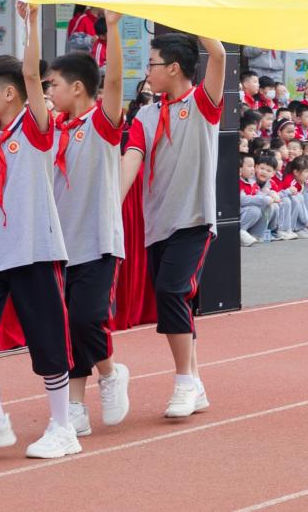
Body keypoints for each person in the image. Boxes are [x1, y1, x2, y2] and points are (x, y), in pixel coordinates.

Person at [0, 2, 78, 459]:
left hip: (35, 248)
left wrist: (30, 24)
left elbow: (31, 76)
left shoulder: (35, 126)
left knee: (47, 342)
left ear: (9, 95)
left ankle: (63, 426)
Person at [121, 31, 226, 417]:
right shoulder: (146, 115)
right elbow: (131, 157)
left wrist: (194, 17)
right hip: (157, 223)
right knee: (174, 299)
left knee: (171, 291)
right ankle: (195, 383)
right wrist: (112, 202)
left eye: (152, 64)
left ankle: (183, 381)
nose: (146, 72)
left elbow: (217, 54)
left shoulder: (202, 103)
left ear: (174, 67)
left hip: (194, 218)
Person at [46, 11, 131, 439]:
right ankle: (75, 406)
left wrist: (113, 29)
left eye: (53, 86)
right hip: (61, 246)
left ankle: (111, 373)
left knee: (86, 318)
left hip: (97, 241)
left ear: (77, 88)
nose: (48, 93)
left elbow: (113, 83)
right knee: (66, 327)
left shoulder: (99, 124)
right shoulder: (52, 130)